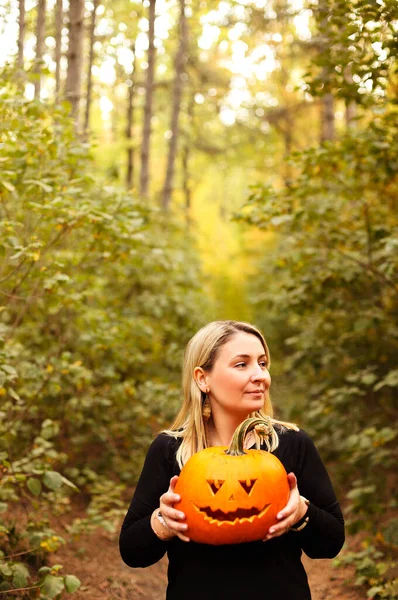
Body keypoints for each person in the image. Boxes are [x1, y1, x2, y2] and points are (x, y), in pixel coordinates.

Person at [119, 320, 345, 599]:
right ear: (203, 378)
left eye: (262, 363)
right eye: (242, 364)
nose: (260, 375)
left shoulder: (292, 443)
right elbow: (131, 551)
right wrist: (164, 522)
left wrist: (301, 513)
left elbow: (332, 543)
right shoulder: (169, 449)